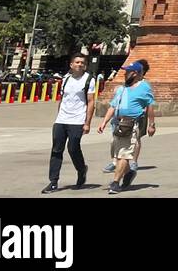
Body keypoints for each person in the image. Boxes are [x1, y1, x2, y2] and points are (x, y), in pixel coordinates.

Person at [96, 62, 156, 193]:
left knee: (125, 154)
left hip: (132, 125)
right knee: (117, 155)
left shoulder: (144, 87)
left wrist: (151, 125)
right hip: (118, 124)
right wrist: (104, 122)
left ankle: (116, 182)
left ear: (135, 73)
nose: (124, 74)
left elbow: (150, 106)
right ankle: (128, 173)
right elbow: (113, 106)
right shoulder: (122, 89)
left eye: (127, 71)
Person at [42, 53, 96, 192]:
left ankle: (81, 169)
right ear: (71, 65)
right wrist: (58, 116)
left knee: (73, 148)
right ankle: (53, 182)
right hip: (61, 120)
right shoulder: (66, 78)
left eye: (82, 63)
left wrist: (87, 122)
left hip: (77, 121)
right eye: (77, 62)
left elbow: (90, 102)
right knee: (56, 150)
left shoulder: (89, 80)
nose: (80, 64)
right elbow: (62, 99)